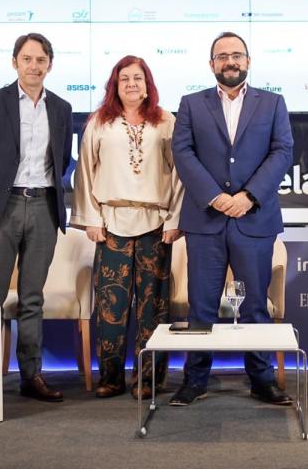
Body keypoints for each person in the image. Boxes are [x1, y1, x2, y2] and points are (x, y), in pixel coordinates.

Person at [169, 31, 294, 407]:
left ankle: (262, 380)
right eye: (222, 56)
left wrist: (248, 196)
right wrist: (217, 197)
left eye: (237, 55)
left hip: (254, 218)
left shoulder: (272, 103)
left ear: (249, 61)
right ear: (211, 65)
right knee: (201, 306)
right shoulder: (191, 104)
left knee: (255, 305)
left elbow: (282, 150)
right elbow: (183, 152)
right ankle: (195, 381)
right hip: (205, 219)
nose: (230, 62)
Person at [0, 32, 73, 402]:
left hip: (43, 207)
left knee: (32, 298)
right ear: (15, 63)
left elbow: (63, 159)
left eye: (40, 60)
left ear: (49, 65)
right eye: (27, 59)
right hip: (3, 209)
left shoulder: (61, 108)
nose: (34, 66)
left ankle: (32, 376)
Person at [71, 55, 184, 400]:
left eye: (138, 78)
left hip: (155, 224)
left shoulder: (166, 122)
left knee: (153, 308)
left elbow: (180, 175)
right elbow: (85, 173)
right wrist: (91, 218)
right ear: (114, 85)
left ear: (148, 84)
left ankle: (149, 379)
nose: (132, 84)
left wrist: (174, 220)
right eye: (125, 79)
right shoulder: (99, 123)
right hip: (112, 224)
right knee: (112, 308)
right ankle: (111, 378)